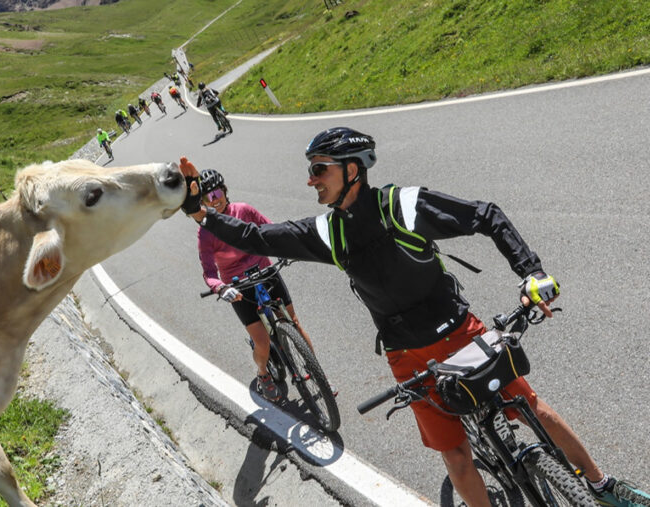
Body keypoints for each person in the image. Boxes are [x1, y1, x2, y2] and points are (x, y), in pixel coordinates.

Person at [178, 127, 650, 507]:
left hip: (461, 333)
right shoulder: (327, 231)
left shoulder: (401, 206)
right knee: (457, 457)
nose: (311, 180)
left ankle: (604, 486)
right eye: (311, 171)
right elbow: (260, 238)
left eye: (319, 169)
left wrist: (532, 273)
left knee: (531, 409)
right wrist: (201, 212)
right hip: (408, 358)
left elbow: (486, 215)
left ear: (351, 169)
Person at [195, 168, 320, 402]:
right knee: (262, 342)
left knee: (293, 322)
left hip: (265, 271)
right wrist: (221, 288)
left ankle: (317, 373)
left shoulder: (243, 210)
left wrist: (286, 247)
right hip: (238, 286)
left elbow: (270, 230)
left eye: (218, 192)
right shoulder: (205, 233)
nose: (215, 199)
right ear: (202, 202)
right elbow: (209, 273)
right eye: (208, 197)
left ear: (225, 191)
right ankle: (263, 374)